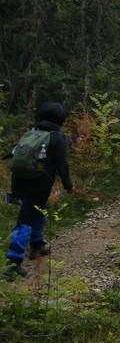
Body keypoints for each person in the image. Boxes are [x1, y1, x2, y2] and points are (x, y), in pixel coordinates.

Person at [3, 102, 73, 280]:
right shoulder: (57, 137)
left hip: (19, 181)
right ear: (61, 120)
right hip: (39, 183)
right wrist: (68, 185)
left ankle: (37, 244)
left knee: (37, 210)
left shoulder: (32, 132)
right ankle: (13, 262)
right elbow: (62, 165)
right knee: (25, 219)